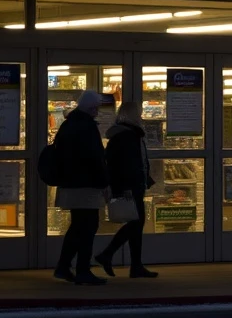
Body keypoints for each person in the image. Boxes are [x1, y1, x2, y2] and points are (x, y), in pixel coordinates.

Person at [95, 101, 158, 278]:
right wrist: (128, 186)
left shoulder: (125, 134)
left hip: (133, 184)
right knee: (136, 223)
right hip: (131, 186)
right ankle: (109, 254)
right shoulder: (128, 136)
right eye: (139, 112)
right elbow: (126, 164)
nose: (141, 115)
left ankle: (134, 265)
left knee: (136, 224)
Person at [52, 90, 109, 285]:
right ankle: (82, 269)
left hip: (70, 182)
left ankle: (64, 265)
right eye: (96, 107)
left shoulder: (68, 125)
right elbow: (95, 158)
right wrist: (104, 183)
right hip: (87, 184)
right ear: (91, 107)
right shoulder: (87, 127)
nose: (97, 111)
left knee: (77, 226)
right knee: (88, 226)